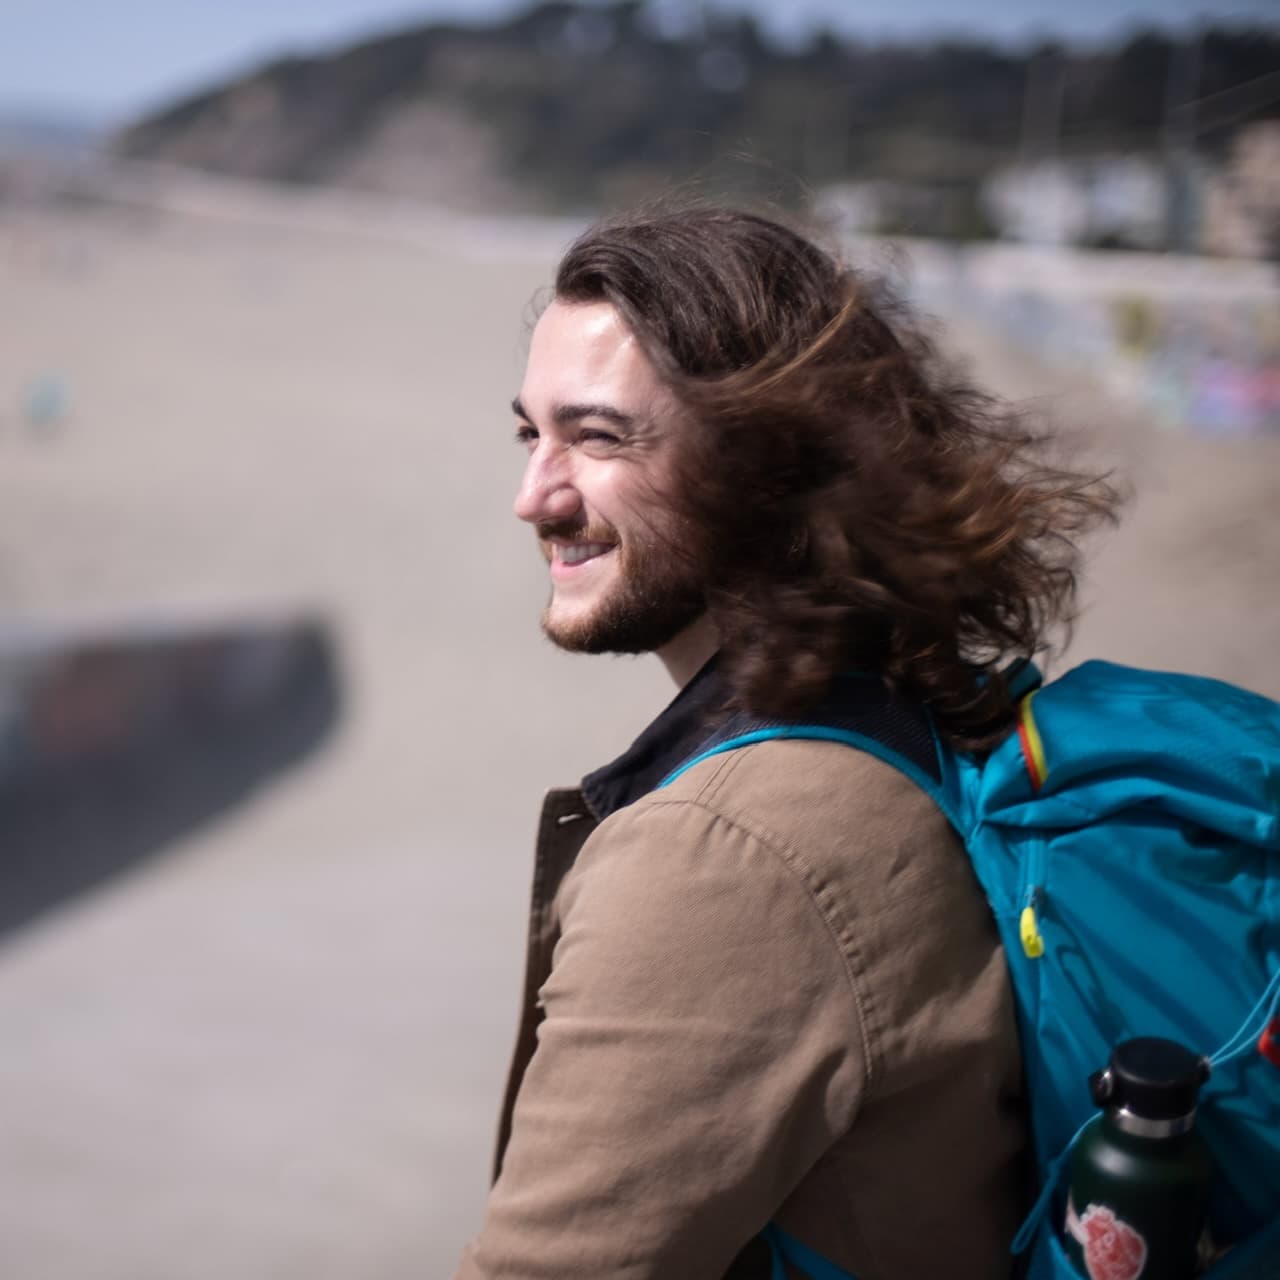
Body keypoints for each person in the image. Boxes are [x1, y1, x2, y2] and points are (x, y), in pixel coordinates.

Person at [453, 205, 1118, 1279]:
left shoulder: (724, 853)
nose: (533, 494)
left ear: (767, 467)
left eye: (599, 436)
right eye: (532, 432)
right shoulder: (916, 703)